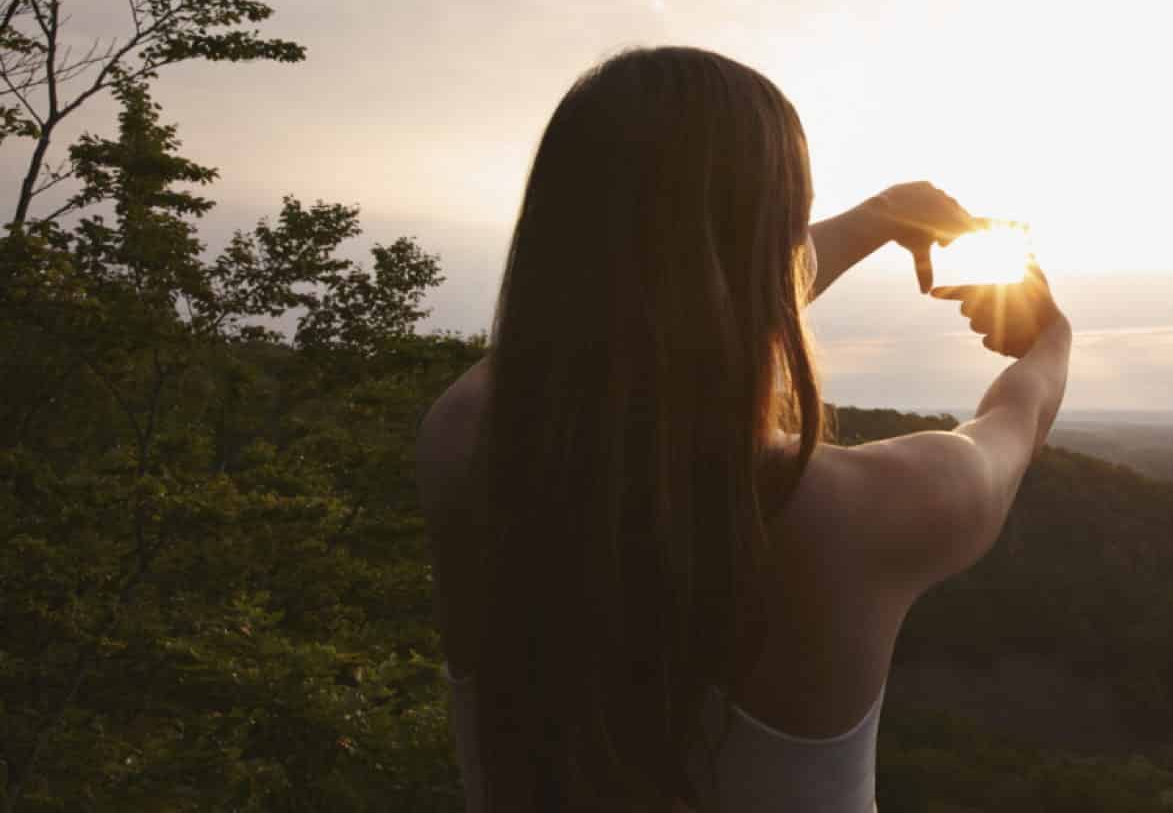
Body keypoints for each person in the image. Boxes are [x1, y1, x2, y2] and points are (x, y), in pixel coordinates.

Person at [412, 45, 1072, 812]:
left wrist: (878, 218)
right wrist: (1050, 337)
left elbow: (623, 315)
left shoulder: (463, 440)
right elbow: (1013, 424)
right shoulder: (849, 513)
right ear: (770, 246)